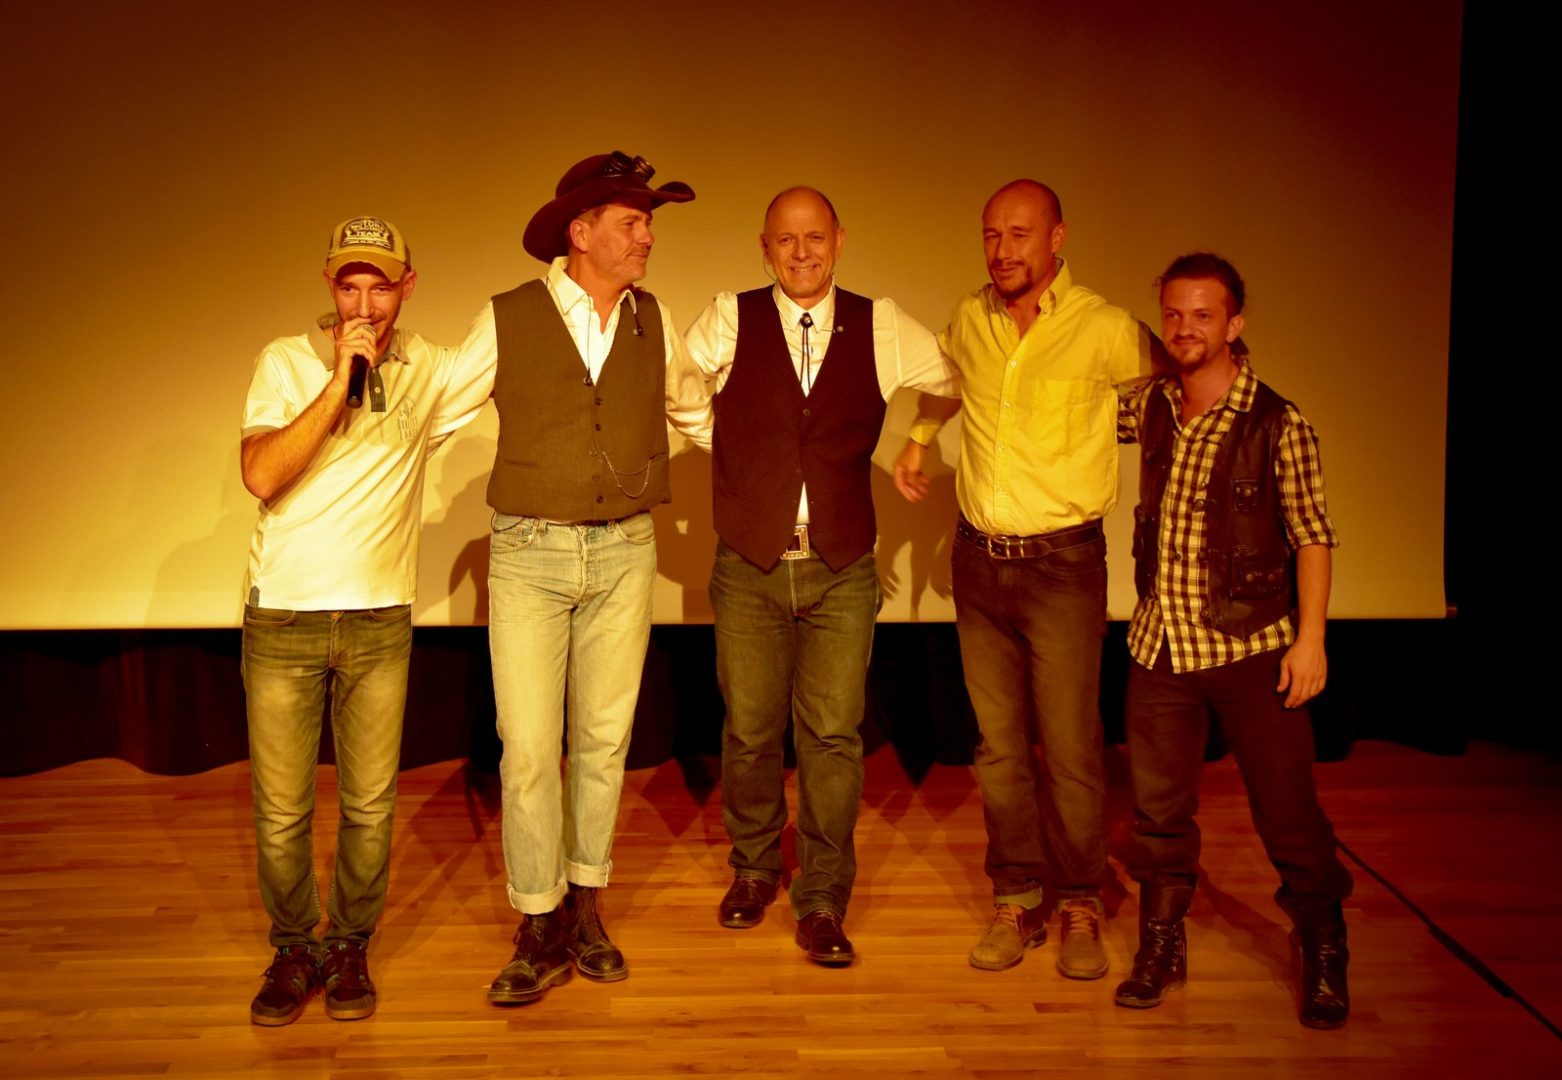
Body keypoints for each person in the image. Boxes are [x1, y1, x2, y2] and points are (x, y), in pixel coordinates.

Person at [444, 152, 705, 1005]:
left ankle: (585, 904)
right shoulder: (509, 316)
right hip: (530, 549)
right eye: (633, 222)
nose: (647, 237)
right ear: (581, 232)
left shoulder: (652, 319)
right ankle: (538, 919)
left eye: (648, 221)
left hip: (625, 548)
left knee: (602, 741)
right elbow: (438, 410)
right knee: (527, 748)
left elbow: (696, 411)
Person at [682, 187, 959, 965]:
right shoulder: (730, 317)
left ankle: (825, 895)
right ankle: (753, 869)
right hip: (751, 564)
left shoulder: (880, 323)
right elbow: (676, 386)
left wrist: (919, 437)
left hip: (841, 567)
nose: (801, 253)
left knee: (833, 737)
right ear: (764, 247)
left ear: (838, 240)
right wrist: (728, 447)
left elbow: (953, 377)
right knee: (750, 731)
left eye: (814, 238)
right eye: (785, 240)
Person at [894, 180, 1154, 980]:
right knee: (999, 748)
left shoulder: (1104, 327)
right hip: (981, 563)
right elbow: (948, 381)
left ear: (1056, 238)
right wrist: (919, 438)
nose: (1002, 250)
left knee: (1071, 747)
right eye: (991, 235)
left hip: (1063, 567)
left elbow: (1169, 387)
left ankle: (1080, 900)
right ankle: (1015, 895)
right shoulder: (970, 319)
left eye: (1019, 234)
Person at [239, 216, 475, 1025]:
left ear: (408, 287)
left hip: (378, 621)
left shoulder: (429, 369)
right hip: (284, 619)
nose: (364, 305)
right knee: (282, 813)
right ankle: (291, 948)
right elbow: (261, 473)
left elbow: (503, 349)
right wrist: (340, 378)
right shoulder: (285, 361)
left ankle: (348, 946)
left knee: (370, 808)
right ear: (329, 287)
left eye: (380, 287)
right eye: (350, 286)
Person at [1113, 253, 1352, 1029]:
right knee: (1158, 815)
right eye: (1174, 315)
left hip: (1253, 647)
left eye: (1203, 315)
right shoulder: (1151, 406)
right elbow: (1063, 411)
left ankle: (1322, 941)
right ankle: (1161, 944)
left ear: (1235, 324)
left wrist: (1310, 640)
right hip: (1161, 650)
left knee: (1288, 812)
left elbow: (1311, 534)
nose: (1185, 329)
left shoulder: (1278, 422)